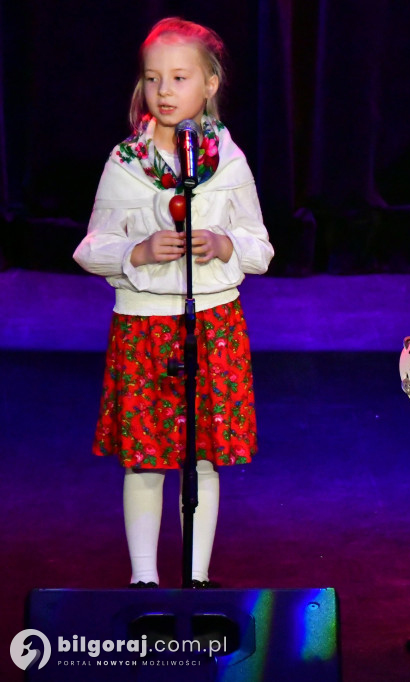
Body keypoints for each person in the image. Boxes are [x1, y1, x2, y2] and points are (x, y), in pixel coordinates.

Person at [73, 17, 274, 588]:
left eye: (179, 78)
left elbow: (261, 249)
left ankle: (197, 577)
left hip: (210, 324)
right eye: (153, 78)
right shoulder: (125, 162)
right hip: (143, 327)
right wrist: (136, 250)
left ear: (209, 83)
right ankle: (143, 580)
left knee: (202, 457)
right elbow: (90, 248)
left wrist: (224, 242)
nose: (164, 91)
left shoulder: (228, 163)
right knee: (144, 458)